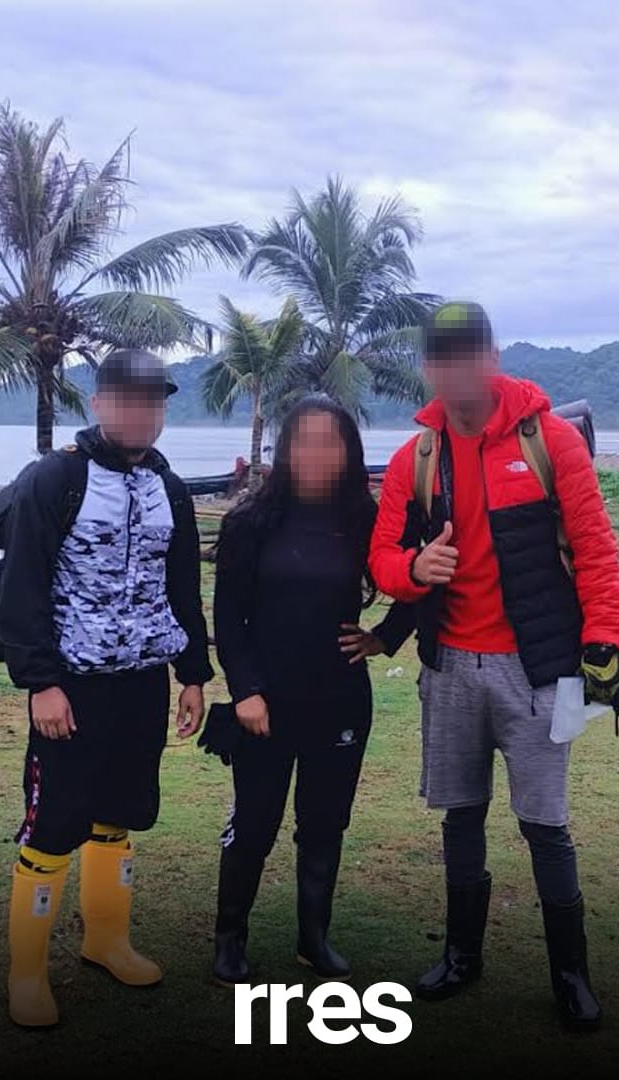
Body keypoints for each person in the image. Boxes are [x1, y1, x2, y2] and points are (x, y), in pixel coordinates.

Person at [368, 301, 619, 1030]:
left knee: (544, 824)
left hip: (538, 668)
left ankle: (571, 975)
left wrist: (606, 639)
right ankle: (462, 956)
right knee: (461, 814)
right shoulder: (416, 458)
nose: (456, 369)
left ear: (492, 357)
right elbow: (382, 556)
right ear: (428, 367)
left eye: (470, 353)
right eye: (442, 356)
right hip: (450, 666)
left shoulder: (549, 441)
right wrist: (414, 569)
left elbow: (595, 548)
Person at [0, 349, 211, 1030]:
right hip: (72, 686)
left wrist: (193, 674)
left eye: (154, 401)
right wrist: (40, 684)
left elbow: (182, 587)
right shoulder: (56, 479)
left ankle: (106, 941)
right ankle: (27, 975)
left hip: (142, 681)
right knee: (55, 823)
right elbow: (20, 586)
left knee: (119, 813)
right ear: (98, 403)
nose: (141, 412)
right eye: (127, 399)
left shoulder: (169, 487)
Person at [209, 395, 414, 985]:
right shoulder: (250, 520)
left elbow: (417, 579)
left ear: (348, 451)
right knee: (254, 823)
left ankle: (313, 939)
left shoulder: (365, 520)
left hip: (340, 699)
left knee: (324, 824)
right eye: (305, 441)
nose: (317, 453)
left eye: (331, 442)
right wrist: (246, 691)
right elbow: (229, 618)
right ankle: (229, 939)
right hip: (266, 704)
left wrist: (385, 636)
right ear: (286, 449)